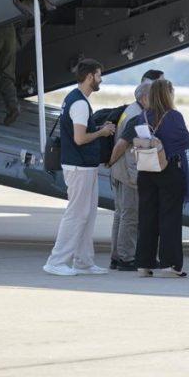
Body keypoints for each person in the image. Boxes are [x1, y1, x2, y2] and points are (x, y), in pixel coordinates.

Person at [43, 59, 116, 276]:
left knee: (88, 214)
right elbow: (80, 138)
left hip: (84, 167)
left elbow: (82, 132)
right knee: (76, 214)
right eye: (99, 75)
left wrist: (98, 128)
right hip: (79, 168)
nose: (100, 80)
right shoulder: (80, 104)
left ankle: (83, 261)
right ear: (90, 76)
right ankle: (56, 261)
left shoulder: (75, 100)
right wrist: (102, 133)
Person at [113, 78, 189, 277]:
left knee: (147, 218)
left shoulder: (143, 117)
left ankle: (143, 263)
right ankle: (170, 264)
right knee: (170, 218)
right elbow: (185, 140)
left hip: (146, 172)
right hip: (168, 171)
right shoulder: (174, 116)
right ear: (168, 94)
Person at [107, 81, 151, 272]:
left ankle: (116, 257)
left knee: (120, 215)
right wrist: (111, 161)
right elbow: (122, 145)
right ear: (144, 98)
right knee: (130, 216)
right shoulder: (137, 116)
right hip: (128, 173)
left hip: (119, 170)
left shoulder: (130, 109)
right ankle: (126, 257)